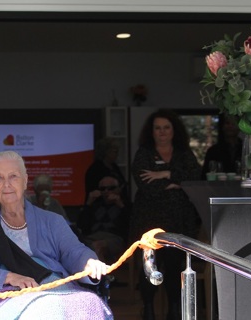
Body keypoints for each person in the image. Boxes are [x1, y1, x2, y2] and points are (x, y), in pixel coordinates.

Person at [0, 151, 113, 320]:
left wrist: (89, 263)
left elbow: (75, 252)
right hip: (0, 292)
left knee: (88, 304)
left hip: (52, 285)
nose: (7, 184)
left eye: (13, 176)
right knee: (42, 310)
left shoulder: (52, 221)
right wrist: (8, 277)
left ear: (25, 181)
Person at [130, 109, 201, 320]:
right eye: (157, 128)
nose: (162, 132)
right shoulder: (144, 153)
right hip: (148, 220)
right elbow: (145, 185)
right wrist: (175, 184)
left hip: (179, 221)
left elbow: (194, 178)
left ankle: (174, 310)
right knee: (149, 266)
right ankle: (148, 309)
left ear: (174, 130)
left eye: (166, 127)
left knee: (174, 266)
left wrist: (165, 174)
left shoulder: (184, 153)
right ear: (151, 132)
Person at [79, 175, 130, 264]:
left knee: (97, 246)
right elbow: (81, 224)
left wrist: (121, 205)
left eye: (111, 188)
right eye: (103, 189)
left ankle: (103, 276)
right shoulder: (95, 205)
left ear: (118, 189)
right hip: (93, 237)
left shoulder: (126, 205)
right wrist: (88, 203)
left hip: (115, 238)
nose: (107, 191)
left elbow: (131, 223)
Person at [84, 137, 129, 205]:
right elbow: (95, 190)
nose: (117, 155)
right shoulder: (95, 169)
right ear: (106, 152)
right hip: (100, 206)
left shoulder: (114, 166)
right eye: (115, 152)